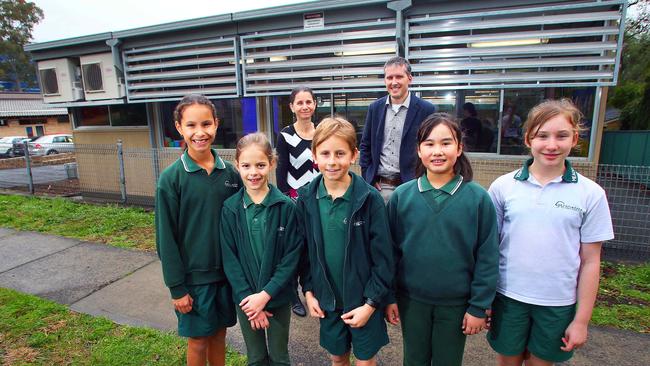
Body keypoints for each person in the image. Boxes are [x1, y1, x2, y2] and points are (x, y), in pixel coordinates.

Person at [487, 99, 614, 366]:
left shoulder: (590, 194)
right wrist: (484, 300)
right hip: (509, 297)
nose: (552, 145)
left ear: (575, 138)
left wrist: (581, 321)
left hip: (557, 303)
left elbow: (591, 261)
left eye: (562, 136)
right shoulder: (502, 187)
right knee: (508, 361)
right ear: (527, 139)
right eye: (542, 136)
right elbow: (488, 249)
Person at [385, 113, 499, 366]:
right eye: (429, 143)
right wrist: (389, 296)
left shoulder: (478, 199)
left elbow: (488, 256)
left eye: (446, 143)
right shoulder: (402, 197)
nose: (438, 151)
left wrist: (479, 306)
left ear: (459, 148)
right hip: (412, 301)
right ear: (418, 150)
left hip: (456, 304)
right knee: (414, 359)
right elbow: (389, 253)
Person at [296, 117, 394, 366]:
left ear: (353, 155)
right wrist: (309, 292)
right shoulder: (306, 198)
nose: (332, 161)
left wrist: (371, 304)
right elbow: (304, 253)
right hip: (328, 303)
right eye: (325, 153)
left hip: (363, 302)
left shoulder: (370, 199)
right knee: (337, 358)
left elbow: (384, 260)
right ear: (314, 155)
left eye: (340, 153)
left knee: (364, 360)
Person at [155, 94, 241, 366]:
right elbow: (165, 238)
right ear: (179, 128)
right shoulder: (171, 179)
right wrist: (176, 287)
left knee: (219, 334)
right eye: (191, 125)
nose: (200, 132)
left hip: (225, 277)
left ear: (216, 124)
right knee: (198, 339)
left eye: (206, 124)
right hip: (193, 280)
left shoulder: (231, 174)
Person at [220, 132, 302, 366]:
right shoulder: (230, 209)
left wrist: (265, 296)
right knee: (255, 357)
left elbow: (291, 257)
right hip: (245, 302)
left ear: (272, 163)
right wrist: (250, 301)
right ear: (237, 165)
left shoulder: (286, 207)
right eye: (246, 165)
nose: (253, 172)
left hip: (277, 298)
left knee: (279, 357)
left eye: (260, 165)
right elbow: (230, 259)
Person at [359, 56, 436, 202]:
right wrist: (368, 178)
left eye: (399, 77)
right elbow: (365, 145)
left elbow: (430, 147)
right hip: (380, 187)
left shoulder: (426, 110)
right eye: (389, 78)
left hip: (412, 188)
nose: (394, 82)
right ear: (385, 81)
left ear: (410, 78)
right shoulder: (375, 108)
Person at [276, 86, 319, 317]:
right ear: (292, 107)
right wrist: (286, 199)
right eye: (299, 102)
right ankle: (293, 294)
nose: (304, 106)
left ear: (314, 104)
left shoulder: (323, 131)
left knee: (314, 248)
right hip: (293, 201)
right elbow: (282, 170)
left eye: (308, 102)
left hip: (318, 199)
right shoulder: (285, 135)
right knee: (294, 248)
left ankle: (312, 289)